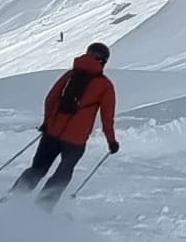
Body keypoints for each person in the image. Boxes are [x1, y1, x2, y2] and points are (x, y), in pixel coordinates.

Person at [11, 42, 119, 204]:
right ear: (104, 61)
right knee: (63, 172)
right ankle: (42, 208)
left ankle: (13, 199)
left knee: (38, 169)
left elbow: (51, 98)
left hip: (52, 133)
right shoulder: (105, 85)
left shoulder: (70, 75)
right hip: (76, 139)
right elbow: (107, 117)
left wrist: (47, 123)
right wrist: (111, 141)